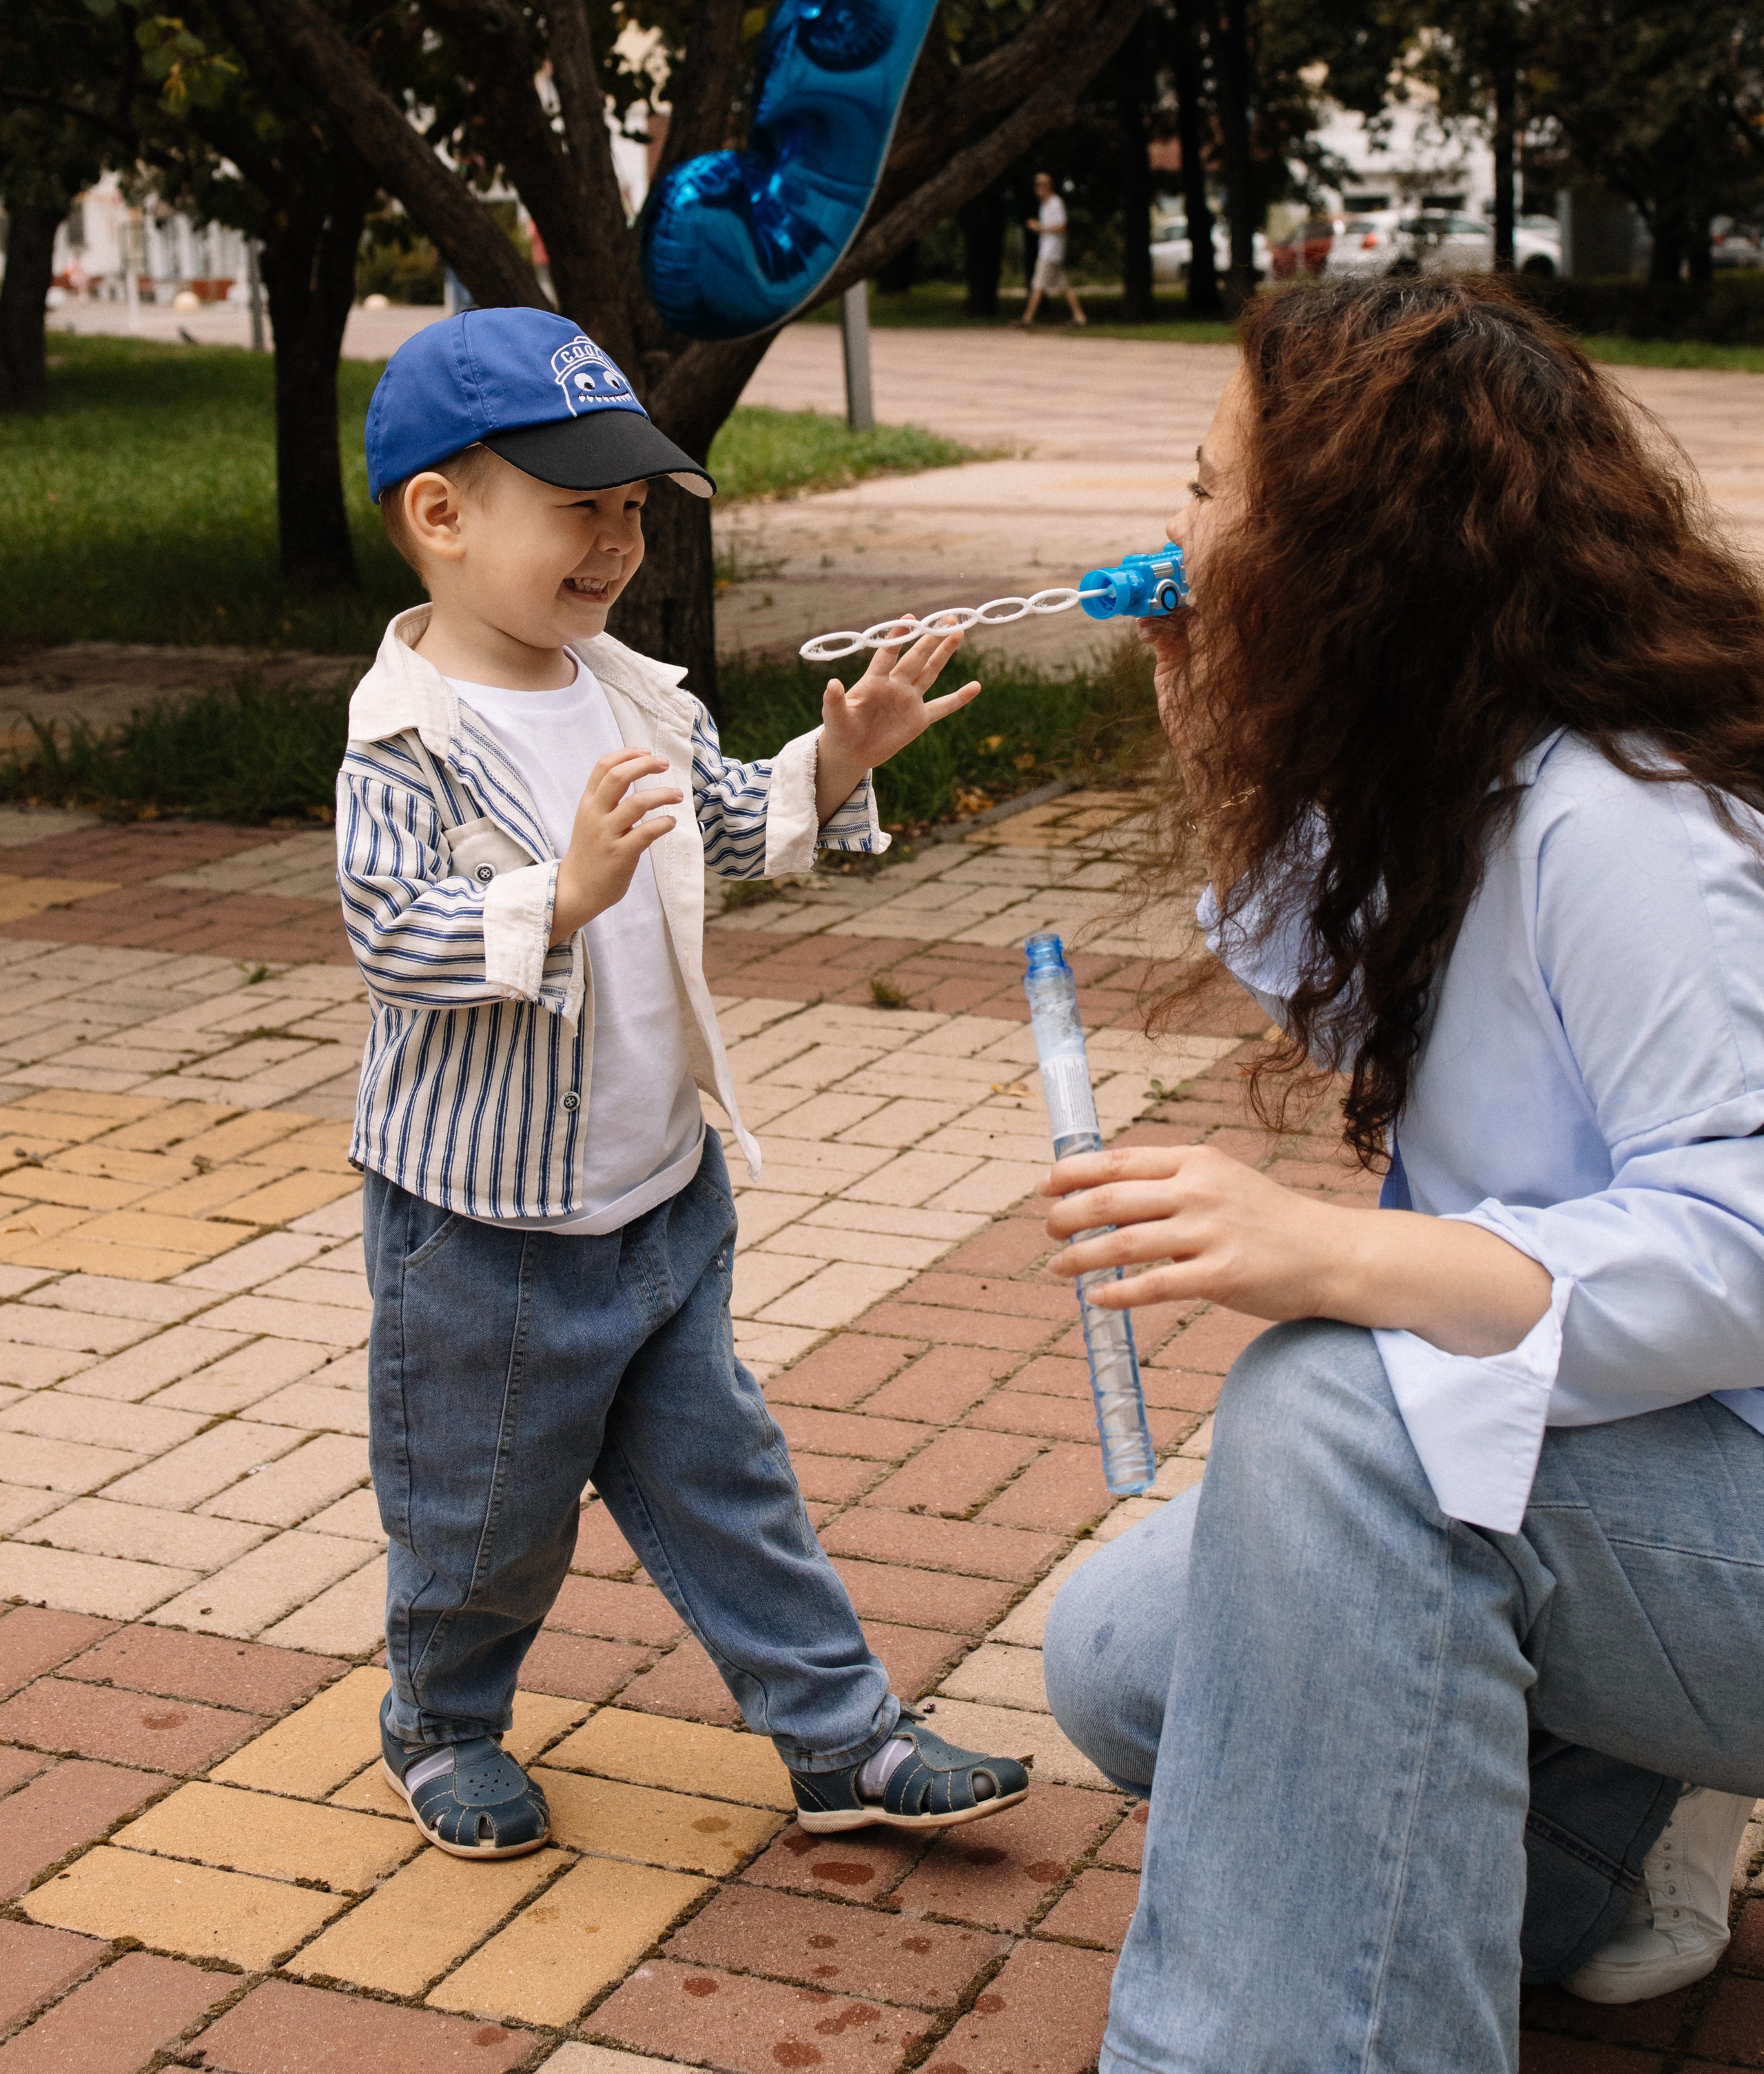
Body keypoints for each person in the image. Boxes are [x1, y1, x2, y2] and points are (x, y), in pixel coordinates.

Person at [1038, 275, 1764, 2072]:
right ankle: (1598, 1835)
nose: (1178, 529)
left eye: (1213, 487)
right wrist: (1221, 738)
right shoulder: (1472, 773)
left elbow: (1742, 1249)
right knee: (1127, 1656)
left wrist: (1337, 1262)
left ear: (1354, 547)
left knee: (1343, 1419)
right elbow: (1381, 984)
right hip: (1648, 1469)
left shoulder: (1626, 823)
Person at [340, 307, 1029, 1858]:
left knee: (728, 1474)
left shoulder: (630, 689)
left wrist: (834, 762)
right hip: (486, 1226)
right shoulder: (405, 742)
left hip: (659, 1189)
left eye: (632, 507)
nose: (615, 542)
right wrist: (559, 894)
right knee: (483, 1513)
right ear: (440, 516)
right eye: (577, 506)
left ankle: (840, 1733)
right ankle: (440, 1718)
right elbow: (395, 936)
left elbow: (720, 823)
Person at [1021, 170, 1087, 329]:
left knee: (1037, 285)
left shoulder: (1055, 203)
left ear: (1047, 187)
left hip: (1050, 252)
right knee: (1064, 287)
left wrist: (1040, 228)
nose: (1037, 190)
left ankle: (1027, 319)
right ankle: (1080, 317)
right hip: (1051, 252)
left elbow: (1061, 227)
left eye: (1040, 186)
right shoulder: (1044, 206)